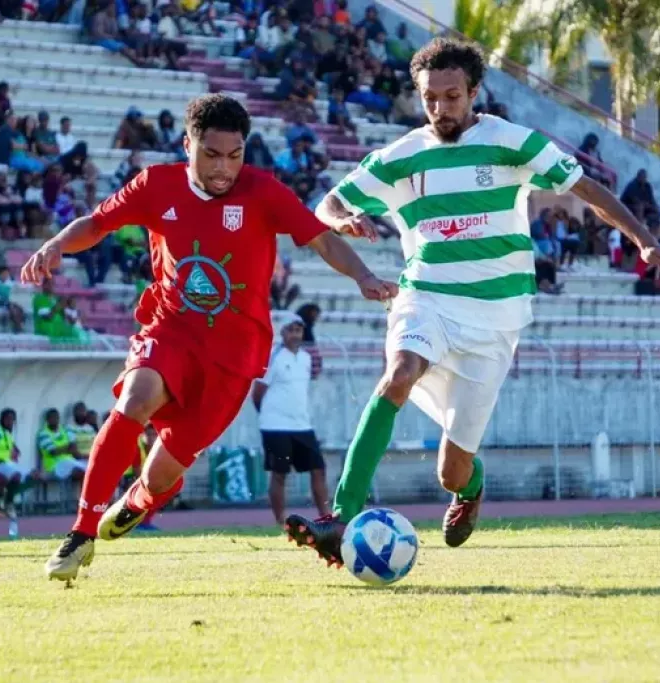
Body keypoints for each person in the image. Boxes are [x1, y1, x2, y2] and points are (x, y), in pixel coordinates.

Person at [284, 39, 660, 566]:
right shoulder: (403, 155)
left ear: (474, 92)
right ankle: (340, 517)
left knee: (451, 471)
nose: (441, 108)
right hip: (425, 296)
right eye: (430, 98)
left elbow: (587, 189)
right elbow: (329, 201)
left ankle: (471, 487)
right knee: (398, 374)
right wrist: (341, 218)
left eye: (452, 96)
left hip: (495, 319)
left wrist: (645, 240)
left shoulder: (512, 142)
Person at [26, 94, 397, 583]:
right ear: (188, 146)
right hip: (170, 330)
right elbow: (97, 223)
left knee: (161, 474)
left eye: (234, 155)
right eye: (211, 154)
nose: (224, 168)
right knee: (133, 403)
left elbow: (321, 238)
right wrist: (56, 243)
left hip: (234, 357)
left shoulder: (263, 191)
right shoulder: (155, 185)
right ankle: (81, 533)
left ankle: (139, 499)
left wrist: (363, 276)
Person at [253, 314, 328, 526]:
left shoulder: (306, 357)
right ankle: (280, 520)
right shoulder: (273, 357)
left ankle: (325, 515)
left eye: (299, 330)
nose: (295, 335)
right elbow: (257, 392)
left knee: (318, 469)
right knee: (279, 474)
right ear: (283, 332)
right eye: (291, 330)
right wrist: (268, 415)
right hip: (275, 426)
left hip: (302, 425)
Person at [38, 408, 86, 481]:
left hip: (70, 462)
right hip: (54, 466)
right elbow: (53, 452)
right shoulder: (43, 434)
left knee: (90, 468)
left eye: (56, 417)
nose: (55, 420)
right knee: (77, 470)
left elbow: (73, 447)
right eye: (52, 418)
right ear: (47, 420)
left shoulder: (65, 430)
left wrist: (81, 456)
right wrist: (68, 448)